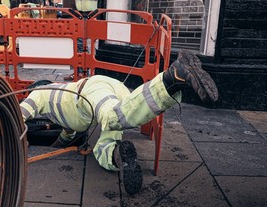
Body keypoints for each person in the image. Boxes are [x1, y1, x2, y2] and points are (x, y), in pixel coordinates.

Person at [20, 50, 219, 195]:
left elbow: (19, 113)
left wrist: (0, 122)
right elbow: (67, 137)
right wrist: (52, 148)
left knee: (112, 117)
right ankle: (119, 157)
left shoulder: (40, 92)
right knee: (107, 141)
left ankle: (172, 78)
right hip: (111, 91)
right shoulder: (60, 114)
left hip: (91, 92)